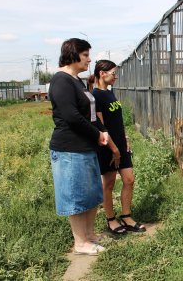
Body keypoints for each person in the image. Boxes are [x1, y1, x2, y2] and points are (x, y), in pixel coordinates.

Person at [49, 38, 108, 256]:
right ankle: (80, 242)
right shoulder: (61, 81)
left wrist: (102, 131)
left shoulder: (77, 81)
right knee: (75, 196)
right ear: (72, 55)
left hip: (86, 146)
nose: (89, 59)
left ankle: (90, 234)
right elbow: (72, 117)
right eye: (85, 55)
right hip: (69, 149)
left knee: (91, 193)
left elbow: (88, 114)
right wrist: (97, 134)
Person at [89, 59, 146, 235]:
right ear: (102, 74)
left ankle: (126, 216)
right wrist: (114, 149)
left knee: (129, 179)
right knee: (109, 183)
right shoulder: (96, 96)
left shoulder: (110, 93)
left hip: (121, 144)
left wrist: (125, 138)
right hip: (108, 147)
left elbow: (117, 120)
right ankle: (111, 219)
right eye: (113, 73)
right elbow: (102, 126)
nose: (116, 76)